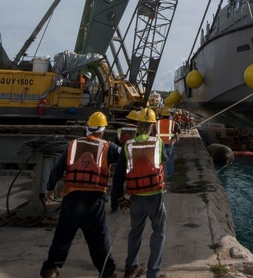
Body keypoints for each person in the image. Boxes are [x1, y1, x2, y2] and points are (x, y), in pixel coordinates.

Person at [40, 111, 120, 278]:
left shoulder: (73, 145)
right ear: (102, 130)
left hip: (72, 198)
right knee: (99, 238)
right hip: (94, 200)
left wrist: (49, 188)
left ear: (87, 128)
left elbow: (58, 169)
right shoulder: (108, 147)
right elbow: (126, 160)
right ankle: (107, 272)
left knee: (63, 235)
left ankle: (49, 270)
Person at [113, 108, 166, 278]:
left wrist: (119, 198)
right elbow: (163, 158)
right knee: (158, 232)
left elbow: (118, 176)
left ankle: (130, 267)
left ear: (137, 124)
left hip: (135, 196)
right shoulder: (158, 143)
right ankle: (153, 273)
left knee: (135, 232)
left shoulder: (128, 146)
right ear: (152, 125)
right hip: (155, 197)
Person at [156, 108, 177, 178]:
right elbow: (176, 133)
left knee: (158, 159)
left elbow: (153, 133)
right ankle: (170, 174)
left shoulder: (157, 123)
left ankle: (158, 174)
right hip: (169, 143)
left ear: (162, 116)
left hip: (159, 143)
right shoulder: (173, 123)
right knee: (170, 159)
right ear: (169, 116)